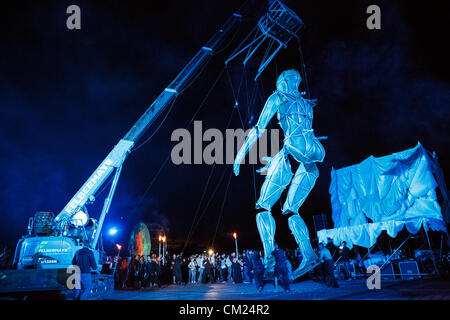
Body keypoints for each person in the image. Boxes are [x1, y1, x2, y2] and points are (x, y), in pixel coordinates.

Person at [234, 69, 324, 275]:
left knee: (262, 207)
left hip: (293, 152)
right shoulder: (306, 103)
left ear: (281, 82)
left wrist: (240, 156)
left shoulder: (278, 97)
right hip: (313, 160)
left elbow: (259, 128)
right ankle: (309, 255)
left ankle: (268, 258)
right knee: (291, 210)